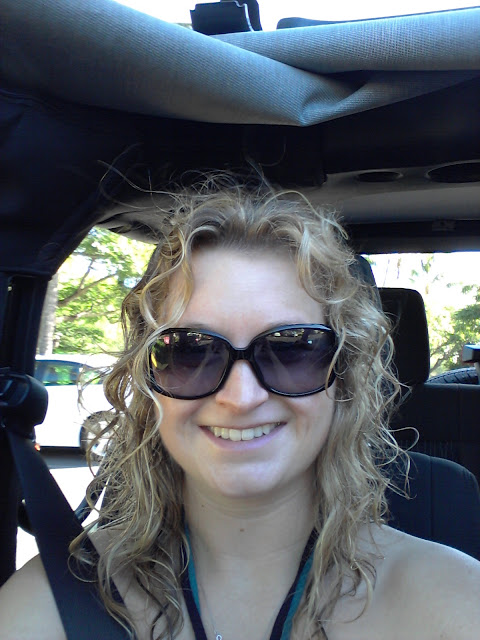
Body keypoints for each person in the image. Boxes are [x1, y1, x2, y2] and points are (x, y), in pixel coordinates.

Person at [1, 176, 479, 640]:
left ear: (344, 378)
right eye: (189, 351)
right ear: (147, 380)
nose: (241, 397)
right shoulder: (54, 601)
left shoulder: (453, 602)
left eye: (293, 348)